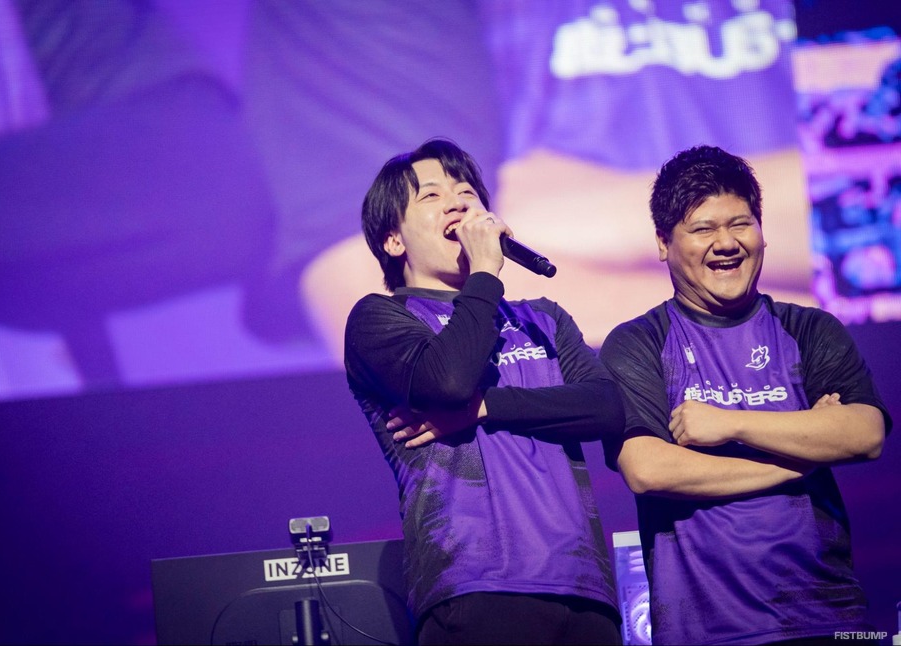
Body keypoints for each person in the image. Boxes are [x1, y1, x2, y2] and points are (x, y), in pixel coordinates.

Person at [599, 145, 892, 645]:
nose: (727, 243)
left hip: (829, 618)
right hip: (705, 630)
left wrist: (730, 423)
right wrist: (803, 456)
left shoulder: (809, 328)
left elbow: (864, 433)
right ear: (664, 242)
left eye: (741, 224)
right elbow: (649, 469)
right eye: (703, 229)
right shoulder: (638, 343)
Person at [344, 139, 625, 645]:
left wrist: (488, 406)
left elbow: (606, 408)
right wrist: (482, 275)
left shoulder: (542, 318)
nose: (457, 203)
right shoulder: (381, 318)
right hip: (474, 588)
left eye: (467, 192)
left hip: (584, 588)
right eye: (432, 196)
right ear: (393, 241)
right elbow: (447, 383)